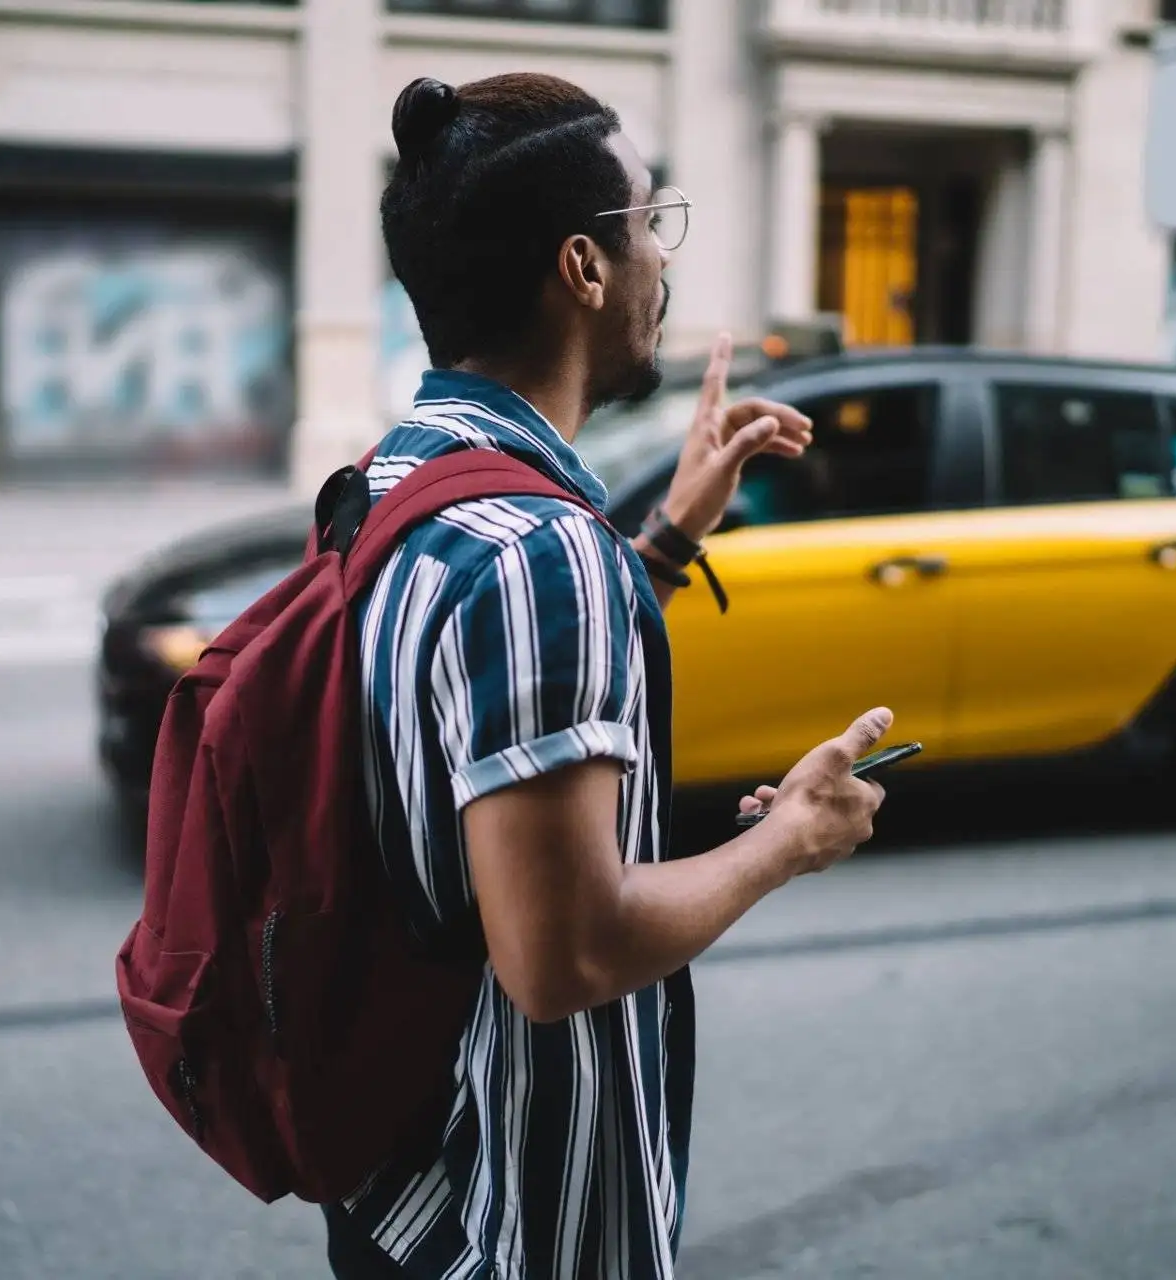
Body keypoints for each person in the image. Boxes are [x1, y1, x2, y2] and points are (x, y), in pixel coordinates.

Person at [327, 72, 893, 1280]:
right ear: (584, 267)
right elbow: (564, 956)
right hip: (520, 1226)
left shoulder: (398, 478)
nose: (662, 264)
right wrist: (790, 836)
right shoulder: (541, 552)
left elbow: (477, 706)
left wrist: (670, 542)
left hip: (395, 1186)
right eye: (651, 224)